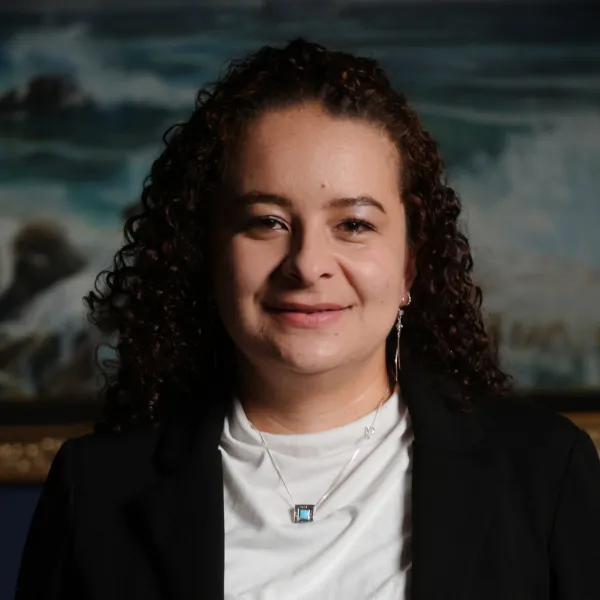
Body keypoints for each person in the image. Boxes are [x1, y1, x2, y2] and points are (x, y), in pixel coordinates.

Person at [16, 38, 600, 600]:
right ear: (209, 253)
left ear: (409, 264)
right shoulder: (93, 491)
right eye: (267, 221)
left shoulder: (544, 474)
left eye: (354, 225)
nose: (307, 263)